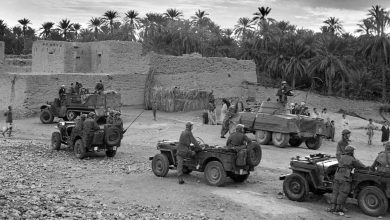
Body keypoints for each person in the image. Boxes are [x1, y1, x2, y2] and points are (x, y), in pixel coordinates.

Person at [327, 145, 366, 214]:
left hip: (337, 176)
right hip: (345, 178)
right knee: (343, 193)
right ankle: (339, 208)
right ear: (351, 152)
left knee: (335, 192)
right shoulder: (352, 159)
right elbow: (361, 166)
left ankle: (332, 207)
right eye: (353, 151)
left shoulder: (341, 157)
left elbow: (338, 154)